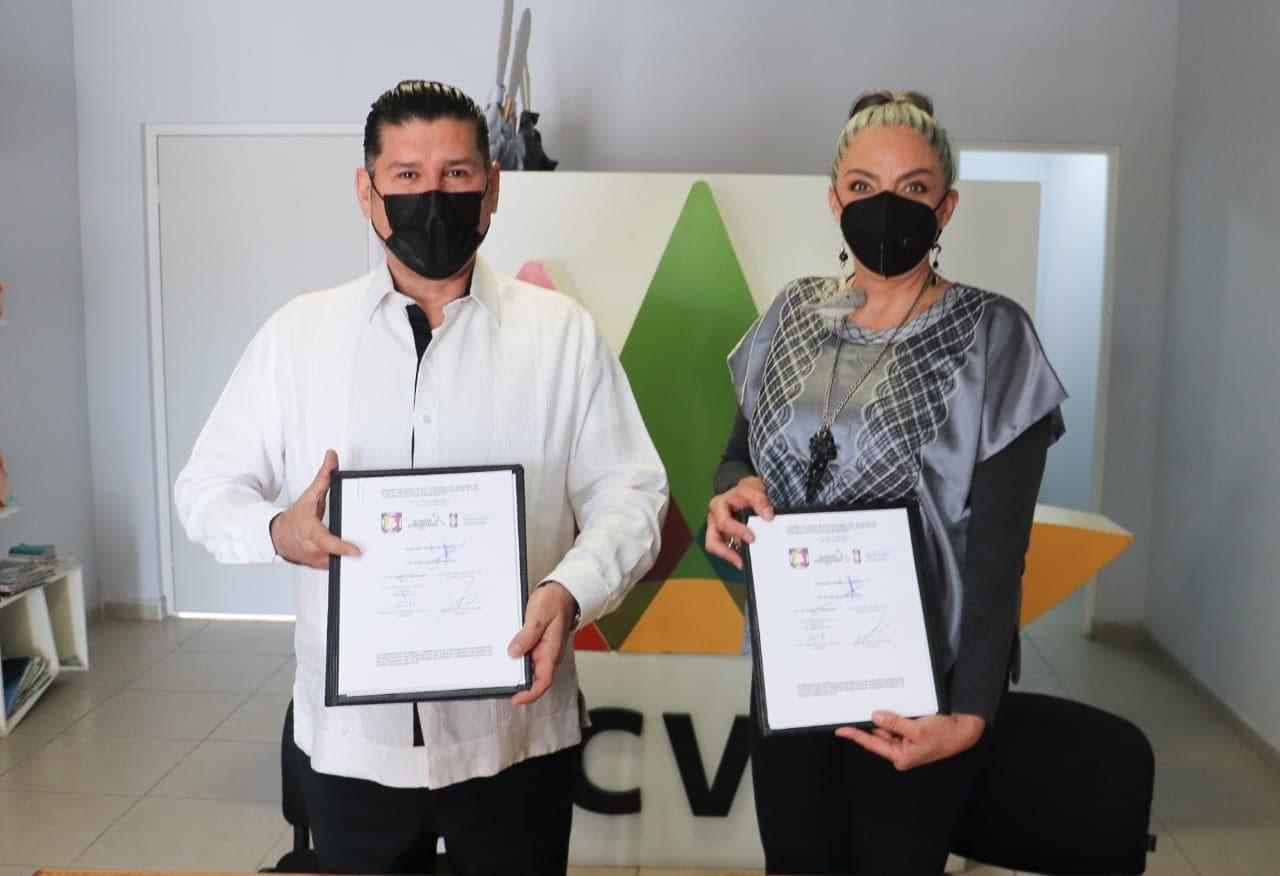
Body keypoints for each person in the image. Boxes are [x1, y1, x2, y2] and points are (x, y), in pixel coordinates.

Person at [175, 80, 668, 876]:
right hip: (353, 745)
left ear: (492, 188)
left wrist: (569, 590)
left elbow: (632, 494)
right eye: (406, 176)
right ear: (366, 192)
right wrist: (278, 531)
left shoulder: (561, 336)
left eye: (456, 175)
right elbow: (204, 491)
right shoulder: (298, 337)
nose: (431, 198)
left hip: (514, 736)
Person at [706, 90, 1072, 874]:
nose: (885, 206)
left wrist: (971, 712)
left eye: (913, 188)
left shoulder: (994, 335)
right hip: (794, 675)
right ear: (834, 199)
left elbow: (999, 552)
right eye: (864, 186)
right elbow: (735, 458)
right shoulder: (792, 314)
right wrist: (731, 492)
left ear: (947, 207)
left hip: (919, 690)